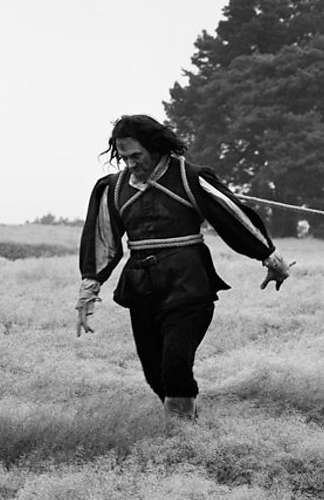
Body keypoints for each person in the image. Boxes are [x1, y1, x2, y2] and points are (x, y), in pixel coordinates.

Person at [76, 114, 293, 419]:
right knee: (156, 375)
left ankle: (182, 439)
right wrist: (90, 286)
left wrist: (269, 257)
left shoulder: (191, 178)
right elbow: (103, 239)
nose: (130, 164)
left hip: (188, 284)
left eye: (136, 156)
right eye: (124, 158)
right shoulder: (113, 188)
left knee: (175, 366)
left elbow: (233, 216)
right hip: (141, 287)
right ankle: (189, 422)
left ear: (155, 147)